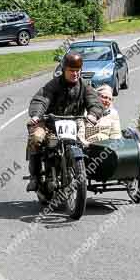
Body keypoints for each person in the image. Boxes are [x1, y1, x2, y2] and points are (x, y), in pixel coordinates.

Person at [26, 52, 103, 192]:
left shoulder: (85, 86)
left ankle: (79, 169)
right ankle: (35, 177)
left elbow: (95, 101)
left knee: (87, 144)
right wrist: (36, 115)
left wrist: (93, 114)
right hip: (49, 124)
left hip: (73, 123)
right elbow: (41, 100)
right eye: (71, 70)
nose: (75, 74)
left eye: (77, 70)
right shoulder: (53, 85)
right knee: (36, 138)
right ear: (64, 70)